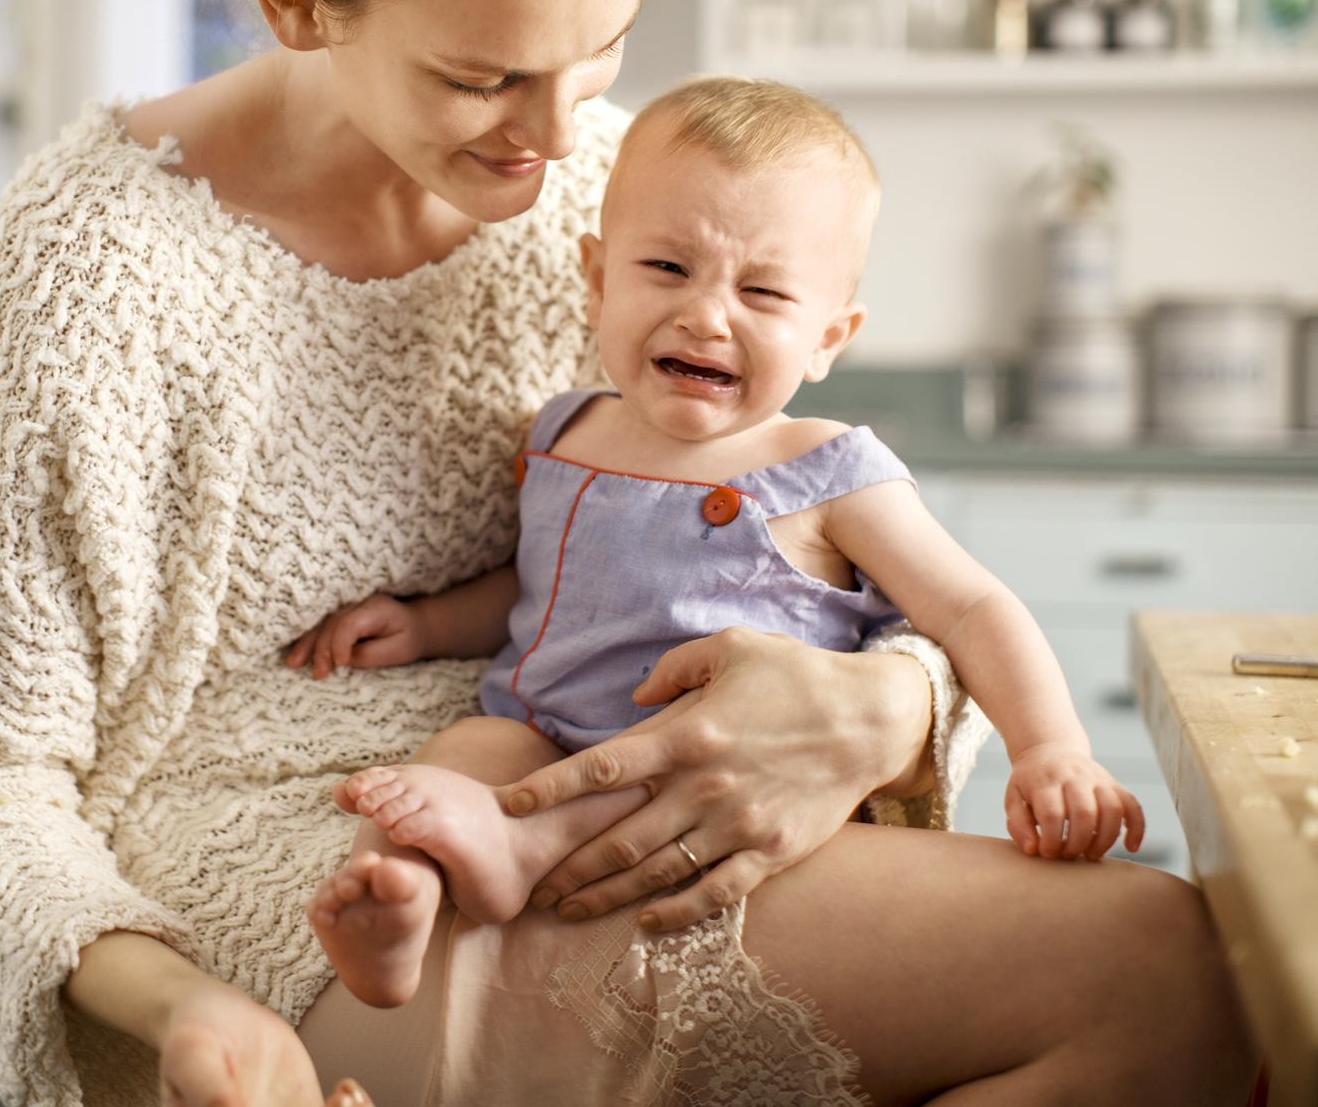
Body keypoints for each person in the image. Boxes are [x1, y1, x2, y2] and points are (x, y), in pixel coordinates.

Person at [0, 0, 1256, 1104]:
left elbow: (817, 545)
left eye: (604, 47)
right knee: (1163, 979)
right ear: (292, 0)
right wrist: (181, 1007)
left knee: (1191, 964)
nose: (555, 131)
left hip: (603, 780)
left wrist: (884, 710)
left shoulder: (618, 195)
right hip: (295, 892)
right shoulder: (88, 274)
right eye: (486, 76)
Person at [294, 75, 1151, 1011]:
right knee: (461, 755)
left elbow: (974, 607)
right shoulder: (565, 430)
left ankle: (518, 850)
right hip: (541, 741)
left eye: (763, 290)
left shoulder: (828, 470)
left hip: (717, 774)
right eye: (667, 268)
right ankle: (396, 905)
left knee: (564, 780)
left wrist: (1052, 749)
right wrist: (423, 627)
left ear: (829, 337)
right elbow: (538, 583)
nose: (707, 314)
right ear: (596, 279)